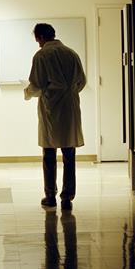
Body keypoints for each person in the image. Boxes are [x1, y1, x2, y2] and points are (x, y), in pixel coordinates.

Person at [24, 23, 86, 210]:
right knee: (69, 153)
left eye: (37, 38)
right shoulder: (71, 53)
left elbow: (36, 85)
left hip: (51, 107)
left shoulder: (42, 55)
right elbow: (81, 82)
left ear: (41, 37)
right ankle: (67, 197)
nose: (37, 42)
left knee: (49, 154)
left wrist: (27, 93)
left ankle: (50, 195)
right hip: (70, 108)